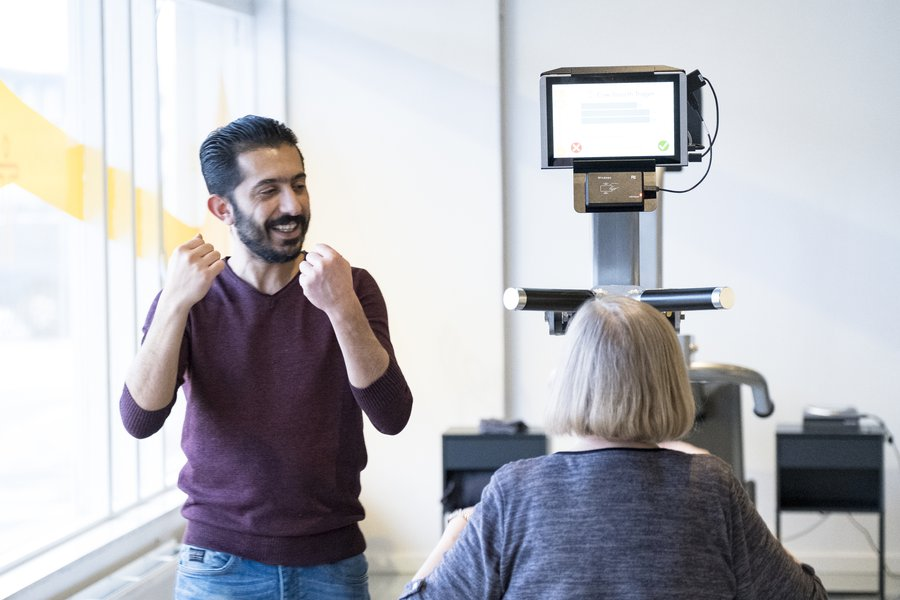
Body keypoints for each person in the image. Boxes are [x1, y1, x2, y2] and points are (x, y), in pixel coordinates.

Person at [119, 114, 413, 599]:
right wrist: (173, 303)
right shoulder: (190, 297)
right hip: (219, 567)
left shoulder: (350, 287)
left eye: (299, 185)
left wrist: (340, 306)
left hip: (332, 565)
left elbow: (392, 415)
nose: (293, 205)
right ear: (223, 208)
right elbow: (140, 419)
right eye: (268, 191)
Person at [400, 296, 826, 599]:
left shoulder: (514, 490)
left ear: (570, 380)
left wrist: (459, 525)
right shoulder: (713, 486)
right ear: (670, 383)